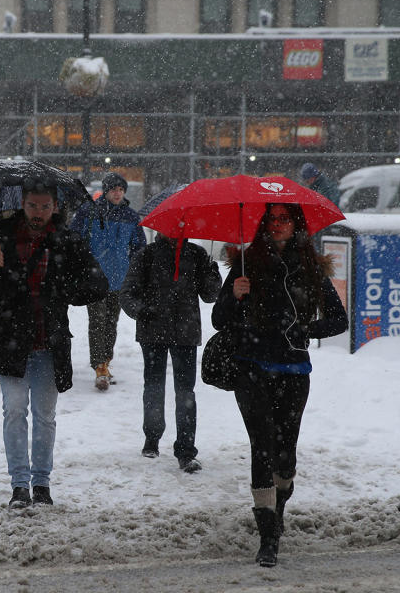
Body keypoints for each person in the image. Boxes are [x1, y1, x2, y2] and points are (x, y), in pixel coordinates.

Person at [211, 203, 348, 568]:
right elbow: (219, 319)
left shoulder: (311, 268)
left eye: (284, 219)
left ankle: (279, 506)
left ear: (296, 225)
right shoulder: (244, 263)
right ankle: (268, 534)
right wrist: (234, 294)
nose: (277, 225)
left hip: (293, 370)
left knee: (285, 454)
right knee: (262, 445)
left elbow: (338, 320)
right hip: (250, 366)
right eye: (271, 219)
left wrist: (306, 330)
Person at [0, 181, 108, 509]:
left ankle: (41, 483)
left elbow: (96, 285)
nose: (39, 213)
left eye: (45, 207)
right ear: (23, 203)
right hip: (10, 341)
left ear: (55, 206)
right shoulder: (0, 236)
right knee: (14, 411)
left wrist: (66, 287)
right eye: (33, 206)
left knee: (45, 415)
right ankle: (19, 485)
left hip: (50, 341)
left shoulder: (67, 241)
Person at [119, 234, 222, 473]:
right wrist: (142, 310)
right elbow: (127, 294)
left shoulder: (197, 255)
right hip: (152, 329)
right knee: (153, 385)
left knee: (185, 390)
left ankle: (186, 449)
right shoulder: (147, 254)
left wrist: (212, 272)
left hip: (185, 331)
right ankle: (152, 437)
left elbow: (210, 295)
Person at [70, 172, 146, 391]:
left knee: (111, 322)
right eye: (114, 189)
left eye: (121, 190)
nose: (117, 193)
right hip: (95, 278)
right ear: (105, 190)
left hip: (120, 279)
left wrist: (136, 272)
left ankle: (106, 360)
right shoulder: (89, 212)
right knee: (97, 321)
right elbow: (74, 238)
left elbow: (138, 247)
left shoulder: (132, 217)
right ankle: (99, 365)